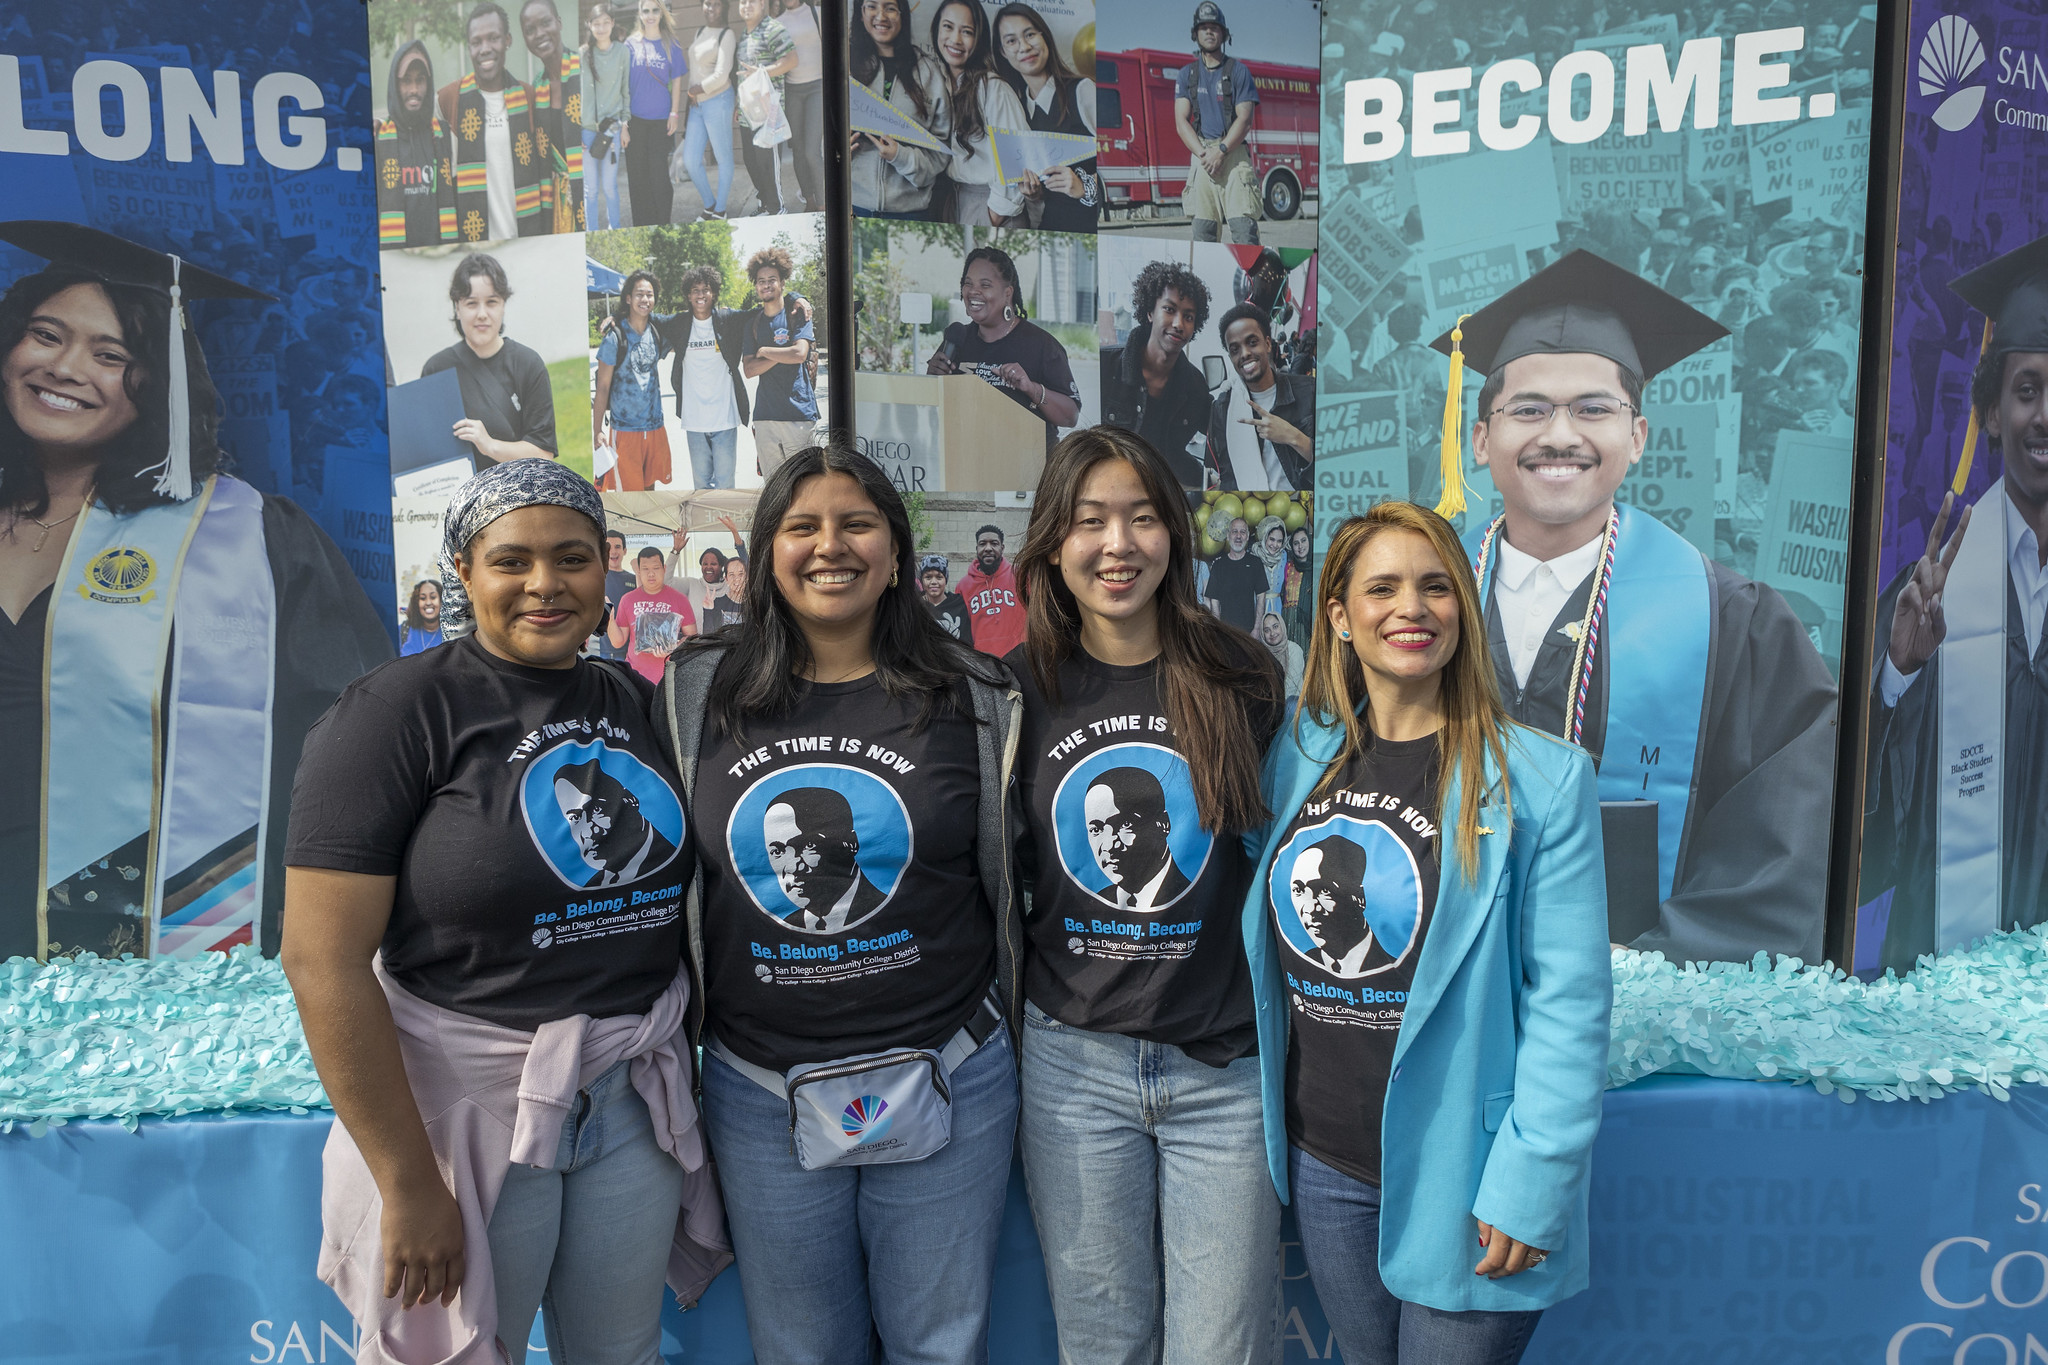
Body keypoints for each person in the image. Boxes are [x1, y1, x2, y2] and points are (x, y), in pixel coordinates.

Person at [282, 461, 728, 1365]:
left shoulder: (635, 701)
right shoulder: (394, 713)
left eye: (570, 558)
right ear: (463, 568)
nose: (544, 585)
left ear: (605, 567)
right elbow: (320, 960)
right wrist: (406, 1181)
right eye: (510, 561)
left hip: (627, 1102)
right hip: (466, 1112)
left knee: (622, 1352)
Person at [650, 444, 1024, 1365]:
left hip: (949, 1069)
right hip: (759, 1089)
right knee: (801, 1350)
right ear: (766, 550)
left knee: (939, 1346)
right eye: (802, 526)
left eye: (856, 524)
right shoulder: (697, 689)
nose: (831, 546)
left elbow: (1003, 880)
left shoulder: (972, 694)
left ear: (895, 551)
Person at [1243, 501, 1611, 1365]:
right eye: (1382, 587)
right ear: (1338, 615)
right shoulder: (1297, 757)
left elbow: (1571, 1007)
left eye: (1435, 585)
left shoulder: (1542, 782)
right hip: (1327, 1162)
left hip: (1472, 1176)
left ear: (1463, 609)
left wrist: (1534, 1182)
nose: (1411, 607)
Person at [0, 222, 391, 961]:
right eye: (45, 335)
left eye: (110, 353)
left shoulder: (244, 540)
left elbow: (350, 756)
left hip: (150, 950)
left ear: (158, 383)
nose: (66, 367)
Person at [1440, 249, 1836, 964]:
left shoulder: (1731, 619)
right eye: (1528, 408)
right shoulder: (1415, 601)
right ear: (1480, 438)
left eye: (1595, 408)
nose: (1560, 434)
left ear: (1638, 437)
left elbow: (1781, 844)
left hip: (1635, 1018)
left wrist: (1654, 960)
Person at [1008, 425, 1285, 1364]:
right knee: (1102, 1345)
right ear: (1053, 542)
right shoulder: (1015, 693)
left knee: (1221, 1350)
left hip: (1223, 1070)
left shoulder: (1243, 677)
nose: (1117, 545)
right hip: (1072, 1067)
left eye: (1141, 518)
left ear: (1176, 532)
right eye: (1090, 521)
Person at [1864, 232, 2048, 970]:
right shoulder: (1928, 592)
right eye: (2027, 390)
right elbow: (1868, 820)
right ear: (1993, 413)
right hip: (1945, 989)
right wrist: (1897, 674)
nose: (2044, 415)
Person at [927, 247, 1080, 455]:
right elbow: (935, 412)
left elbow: (1070, 417)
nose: (973, 291)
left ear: (1008, 293)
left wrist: (1030, 388)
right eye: (968, 283)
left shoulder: (1041, 345)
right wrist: (932, 380)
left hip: (1027, 470)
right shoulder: (957, 339)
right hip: (965, 462)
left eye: (985, 285)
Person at [422, 253, 559, 468]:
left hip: (516, 496)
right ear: (457, 308)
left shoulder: (528, 365)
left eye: (492, 302)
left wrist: (489, 445)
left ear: (503, 305)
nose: (482, 314)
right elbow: (425, 451)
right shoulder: (436, 369)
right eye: (471, 303)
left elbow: (544, 454)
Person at [439, 2, 551, 241]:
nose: (485, 48)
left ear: (508, 40)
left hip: (526, 236)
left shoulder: (529, 96)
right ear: (468, 47)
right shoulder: (450, 98)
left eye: (493, 38)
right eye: (476, 42)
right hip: (476, 243)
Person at [1101, 261, 1215, 489]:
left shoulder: (1195, 386)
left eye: (1189, 316)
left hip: (1167, 490)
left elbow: (1219, 434)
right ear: (1150, 312)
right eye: (1169, 309)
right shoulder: (1106, 366)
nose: (1178, 324)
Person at [992, 2, 1098, 233]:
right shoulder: (1016, 110)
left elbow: (1118, 161)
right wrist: (1034, 193)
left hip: (1089, 228)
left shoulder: (1082, 91)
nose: (1024, 46)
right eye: (1011, 41)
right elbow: (1039, 200)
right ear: (1002, 51)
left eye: (1030, 34)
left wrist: (1083, 186)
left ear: (1044, 36)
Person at [931, 0, 1029, 227]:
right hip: (953, 200)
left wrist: (994, 215)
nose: (955, 39)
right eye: (947, 27)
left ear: (979, 39)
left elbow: (1017, 159)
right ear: (936, 30)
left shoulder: (993, 88)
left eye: (967, 32)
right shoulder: (938, 82)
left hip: (988, 205)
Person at [849, 0, 949, 218]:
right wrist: (836, 153)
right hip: (854, 207)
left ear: (903, 14)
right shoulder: (844, 64)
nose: (881, 16)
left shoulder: (928, 73)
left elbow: (941, 151)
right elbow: (822, 136)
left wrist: (901, 157)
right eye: (872, 6)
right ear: (860, 13)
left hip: (911, 212)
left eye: (890, 8)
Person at [1175, 1, 1260, 245]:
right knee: (1203, 235)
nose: (1209, 32)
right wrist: (1205, 154)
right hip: (1202, 156)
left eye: (1215, 27)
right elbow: (1181, 122)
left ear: (1223, 34)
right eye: (1204, 28)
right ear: (1195, 34)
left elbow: (1245, 120)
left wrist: (1221, 151)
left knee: (1245, 234)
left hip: (1233, 155)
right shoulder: (1187, 74)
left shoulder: (1239, 71)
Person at [1209, 303, 1314, 491]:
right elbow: (1227, 476)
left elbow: (1337, 466)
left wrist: (1294, 437)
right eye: (1235, 350)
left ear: (1267, 344)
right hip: (1250, 508)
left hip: (1303, 506)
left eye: (1252, 342)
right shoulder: (1223, 408)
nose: (1245, 354)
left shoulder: (1309, 392)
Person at [593, 270, 673, 491]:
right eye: (639, 294)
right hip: (625, 431)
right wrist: (597, 430)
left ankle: (649, 529)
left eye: (650, 294)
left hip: (655, 426)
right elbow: (602, 387)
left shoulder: (658, 333)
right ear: (628, 298)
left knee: (650, 492)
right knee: (628, 498)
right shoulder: (614, 338)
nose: (645, 299)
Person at [741, 247, 819, 476]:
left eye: (772, 280)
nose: (766, 285)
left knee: (804, 484)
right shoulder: (752, 324)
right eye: (761, 281)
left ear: (783, 282)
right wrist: (782, 354)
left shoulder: (798, 315)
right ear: (756, 286)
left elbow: (799, 354)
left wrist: (765, 351)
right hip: (765, 416)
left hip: (799, 414)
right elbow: (749, 369)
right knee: (773, 488)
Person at [376, 41, 457, 248]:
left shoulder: (443, 135)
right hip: (398, 260)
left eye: (420, 80)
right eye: (406, 81)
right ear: (395, 85)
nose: (414, 89)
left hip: (439, 255)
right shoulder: (378, 139)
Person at [521, 0, 585, 233]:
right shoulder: (536, 89)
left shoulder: (584, 68)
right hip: (556, 202)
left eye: (545, 23)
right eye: (530, 30)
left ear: (559, 23)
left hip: (591, 192)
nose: (539, 34)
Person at [625, 0, 686, 228]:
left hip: (661, 121)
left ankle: (663, 224)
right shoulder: (629, 45)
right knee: (638, 179)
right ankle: (642, 225)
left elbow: (678, 79)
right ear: (639, 14)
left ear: (661, 13)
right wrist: (623, 123)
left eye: (654, 11)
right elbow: (623, 85)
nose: (650, 15)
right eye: (645, 11)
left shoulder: (672, 43)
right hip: (635, 122)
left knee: (659, 177)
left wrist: (674, 113)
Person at [733, 0, 797, 216]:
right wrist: (737, 104)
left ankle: (778, 208)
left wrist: (762, 72)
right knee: (751, 161)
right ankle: (765, 204)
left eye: (752, 1)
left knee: (767, 163)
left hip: (767, 112)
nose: (746, 5)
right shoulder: (744, 34)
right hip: (746, 112)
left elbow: (791, 60)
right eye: (743, 1)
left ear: (762, 4)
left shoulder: (774, 29)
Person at [680, 0, 738, 220]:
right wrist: (695, 93)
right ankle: (709, 204)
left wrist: (697, 89)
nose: (710, 8)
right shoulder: (700, 31)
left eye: (716, 4)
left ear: (724, 7)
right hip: (697, 104)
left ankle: (720, 211)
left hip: (718, 100)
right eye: (707, 3)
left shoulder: (727, 35)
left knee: (723, 157)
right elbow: (697, 68)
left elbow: (722, 74)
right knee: (690, 160)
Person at [610, 543, 697, 682]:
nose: (651, 574)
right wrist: (609, 620)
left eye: (656, 568)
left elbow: (692, 637)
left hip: (669, 677)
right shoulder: (627, 600)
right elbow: (618, 642)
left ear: (664, 569)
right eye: (645, 569)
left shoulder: (679, 599)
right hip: (636, 678)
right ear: (638, 570)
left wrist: (674, 648)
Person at [579, 0, 630, 231]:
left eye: (605, 23)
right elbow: (574, 95)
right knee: (590, 190)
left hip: (612, 130)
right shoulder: (583, 54)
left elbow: (625, 91)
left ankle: (614, 228)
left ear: (612, 23)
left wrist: (625, 125)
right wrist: (575, 129)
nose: (601, 28)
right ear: (589, 25)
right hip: (587, 130)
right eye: (596, 24)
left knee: (610, 186)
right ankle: (591, 232)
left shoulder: (622, 51)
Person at [778, 0, 826, 212]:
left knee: (811, 151)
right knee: (798, 151)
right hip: (792, 91)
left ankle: (824, 205)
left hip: (817, 87)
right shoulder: (777, 23)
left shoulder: (818, 13)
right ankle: (810, 200)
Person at [960, 521, 1026, 656]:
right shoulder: (963, 586)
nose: (988, 548)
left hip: (1020, 659)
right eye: (983, 544)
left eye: (994, 543)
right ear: (976, 548)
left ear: (1002, 547)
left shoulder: (1021, 576)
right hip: (983, 662)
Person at [1206, 516, 1268, 635]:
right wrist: (1219, 631)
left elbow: (1261, 597)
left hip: (1250, 633)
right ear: (1228, 536)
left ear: (1247, 536)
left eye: (1242, 532)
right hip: (1226, 634)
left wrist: (1256, 629)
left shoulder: (1255, 563)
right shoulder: (1218, 565)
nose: (1238, 536)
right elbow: (1214, 602)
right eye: (1235, 531)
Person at [919, 552, 969, 639]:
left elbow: (966, 640)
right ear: (922, 580)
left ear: (946, 580)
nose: (934, 582)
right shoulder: (915, 605)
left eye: (939, 577)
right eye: (928, 577)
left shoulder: (959, 605)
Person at [602, 527, 634, 660]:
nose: (613, 551)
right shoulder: (595, 578)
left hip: (629, 650)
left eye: (617, 547)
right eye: (609, 547)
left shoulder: (634, 579)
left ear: (624, 551)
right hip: (601, 647)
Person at [1260, 609, 1302, 703]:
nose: (1272, 633)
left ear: (1282, 626)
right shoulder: (1262, 654)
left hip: (1294, 704)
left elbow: (1291, 686)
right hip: (1272, 703)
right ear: (1262, 634)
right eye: (1267, 630)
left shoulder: (1294, 650)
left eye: (1275, 627)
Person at [401, 579, 447, 656]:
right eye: (422, 598)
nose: (428, 603)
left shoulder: (452, 633)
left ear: (441, 601)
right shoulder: (404, 629)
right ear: (416, 603)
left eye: (433, 597)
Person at [705, 554, 747, 630]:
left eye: (740, 574)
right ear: (726, 579)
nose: (736, 579)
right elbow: (709, 636)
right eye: (731, 575)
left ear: (747, 577)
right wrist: (708, 610)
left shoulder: (755, 605)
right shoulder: (717, 604)